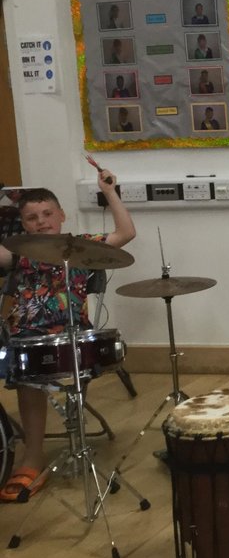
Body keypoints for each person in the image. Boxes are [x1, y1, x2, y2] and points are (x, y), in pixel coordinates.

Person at [0, 169, 136, 501]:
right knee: (26, 372)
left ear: (62, 216)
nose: (41, 222)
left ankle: (70, 445)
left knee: (56, 369)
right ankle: (32, 458)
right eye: (32, 218)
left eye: (47, 214)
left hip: (71, 334)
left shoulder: (80, 248)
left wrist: (110, 191)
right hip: (28, 335)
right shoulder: (19, 253)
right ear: (23, 223)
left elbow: (126, 232)